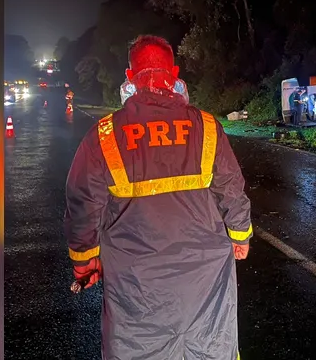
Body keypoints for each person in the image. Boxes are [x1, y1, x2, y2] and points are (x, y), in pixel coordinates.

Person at [65, 34, 252, 360]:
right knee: (208, 348)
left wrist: (85, 261)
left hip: (137, 289)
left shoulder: (105, 135)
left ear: (128, 77)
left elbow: (83, 204)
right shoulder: (207, 127)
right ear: (175, 73)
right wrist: (240, 235)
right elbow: (232, 188)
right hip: (204, 285)